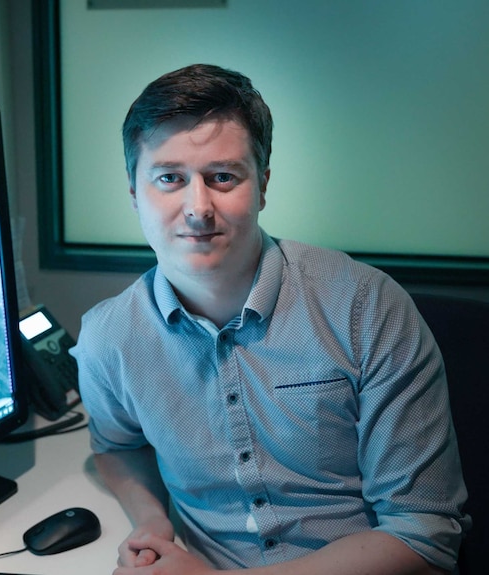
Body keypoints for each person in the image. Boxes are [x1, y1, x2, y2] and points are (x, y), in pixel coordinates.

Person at [70, 63, 469, 575]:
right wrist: (150, 520)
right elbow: (116, 446)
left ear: (261, 186)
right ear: (134, 194)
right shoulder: (108, 336)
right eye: (169, 179)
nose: (198, 208)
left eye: (222, 177)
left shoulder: (367, 306)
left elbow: (425, 536)